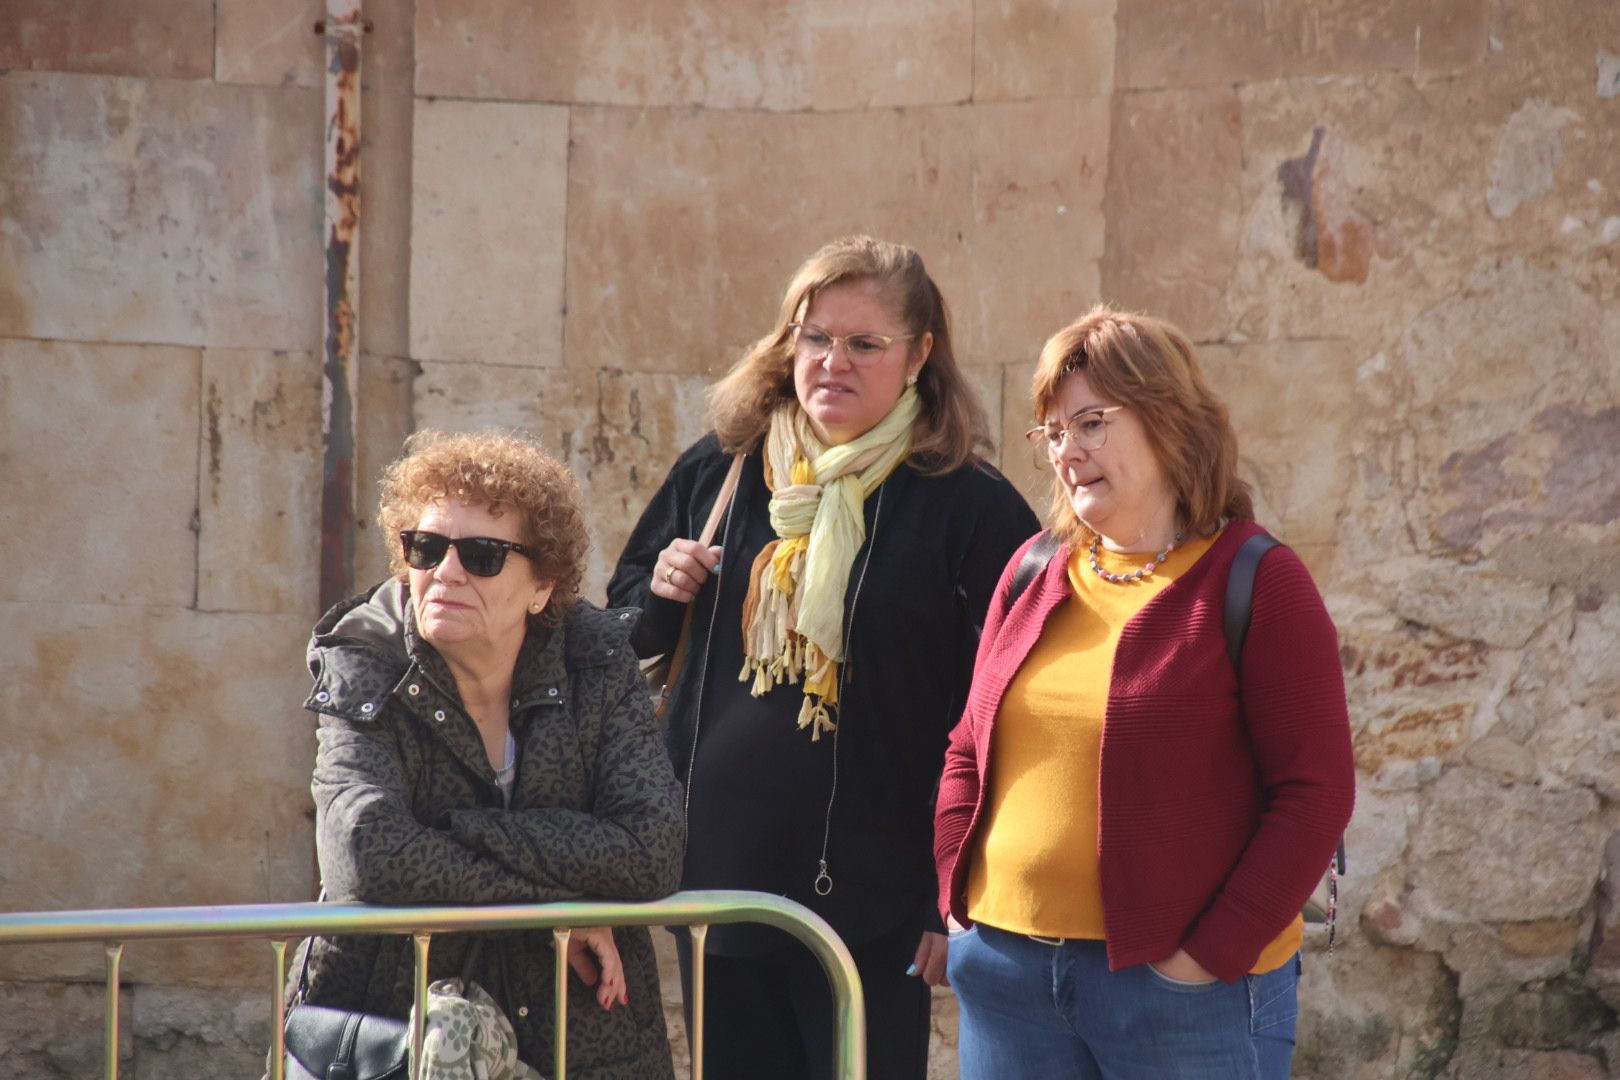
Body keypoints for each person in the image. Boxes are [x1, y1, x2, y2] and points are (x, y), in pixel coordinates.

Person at [607, 235, 1039, 1078]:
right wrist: (660, 593)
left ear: (918, 356)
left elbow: (1012, 712)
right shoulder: (723, 468)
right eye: (815, 337)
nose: (832, 362)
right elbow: (622, 639)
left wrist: (944, 896)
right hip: (720, 882)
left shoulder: (970, 506)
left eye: (864, 344)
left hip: (878, 903)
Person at [934, 307, 1356, 1080]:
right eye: (1053, 432)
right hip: (1008, 981)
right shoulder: (1032, 569)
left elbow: (1315, 794)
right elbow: (969, 744)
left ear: (1168, 421)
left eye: (1091, 422)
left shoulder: (1258, 580)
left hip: (1181, 999)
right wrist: (957, 898)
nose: (1068, 450)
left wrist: (1205, 958)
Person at [291, 429, 684, 1079]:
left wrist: (454, 834)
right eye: (425, 547)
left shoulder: (596, 659)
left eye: (482, 554)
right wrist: (566, 904)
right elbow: (370, 857)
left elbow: (653, 848)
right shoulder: (366, 655)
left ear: (541, 586)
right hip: (391, 1027)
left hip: (580, 1033)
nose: (445, 571)